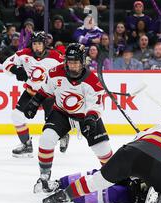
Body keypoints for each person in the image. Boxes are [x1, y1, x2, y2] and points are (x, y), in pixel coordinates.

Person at [25, 43, 113, 193]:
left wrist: (91, 119)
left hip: (86, 117)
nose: (72, 66)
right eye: (69, 62)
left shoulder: (93, 82)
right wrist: (34, 102)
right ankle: (44, 177)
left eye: (75, 62)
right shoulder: (54, 72)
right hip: (61, 113)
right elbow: (46, 89)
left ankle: (114, 177)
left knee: (103, 151)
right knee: (46, 139)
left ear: (83, 61)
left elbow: (95, 106)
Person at [43, 120, 161, 203]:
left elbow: (135, 140)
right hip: (160, 163)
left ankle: (63, 195)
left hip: (131, 152)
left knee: (96, 180)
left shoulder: (155, 127)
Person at [3, 31, 67, 158]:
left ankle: (64, 134)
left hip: (48, 94)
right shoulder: (23, 53)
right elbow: (6, 64)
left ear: (44, 44)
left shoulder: (55, 56)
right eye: (34, 44)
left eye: (39, 44)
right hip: (31, 92)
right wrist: (16, 70)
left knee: (51, 123)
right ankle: (26, 145)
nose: (36, 46)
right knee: (16, 115)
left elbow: (67, 70)